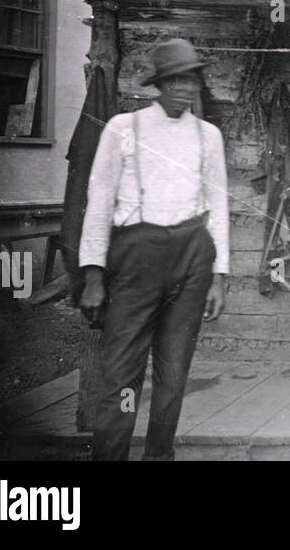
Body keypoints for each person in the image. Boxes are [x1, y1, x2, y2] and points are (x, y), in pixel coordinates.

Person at [78, 38, 229, 461]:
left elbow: (218, 205)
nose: (184, 88)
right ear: (158, 85)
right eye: (175, 79)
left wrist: (219, 276)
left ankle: (159, 455)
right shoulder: (124, 128)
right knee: (122, 372)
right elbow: (100, 199)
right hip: (137, 255)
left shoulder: (208, 136)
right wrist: (92, 273)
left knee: (173, 372)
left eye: (191, 78)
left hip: (192, 255)